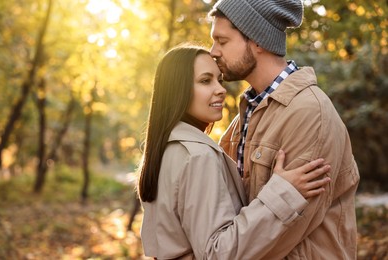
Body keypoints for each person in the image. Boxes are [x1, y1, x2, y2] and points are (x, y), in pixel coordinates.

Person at [137, 44, 331, 259]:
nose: (220, 89)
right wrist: (283, 194)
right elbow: (217, 253)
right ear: (177, 89)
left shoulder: (167, 148)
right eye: (205, 81)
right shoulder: (198, 155)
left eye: (219, 80)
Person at [208, 0, 360, 259]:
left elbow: (279, 236)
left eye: (222, 41)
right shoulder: (247, 113)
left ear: (257, 41)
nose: (213, 51)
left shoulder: (309, 113)